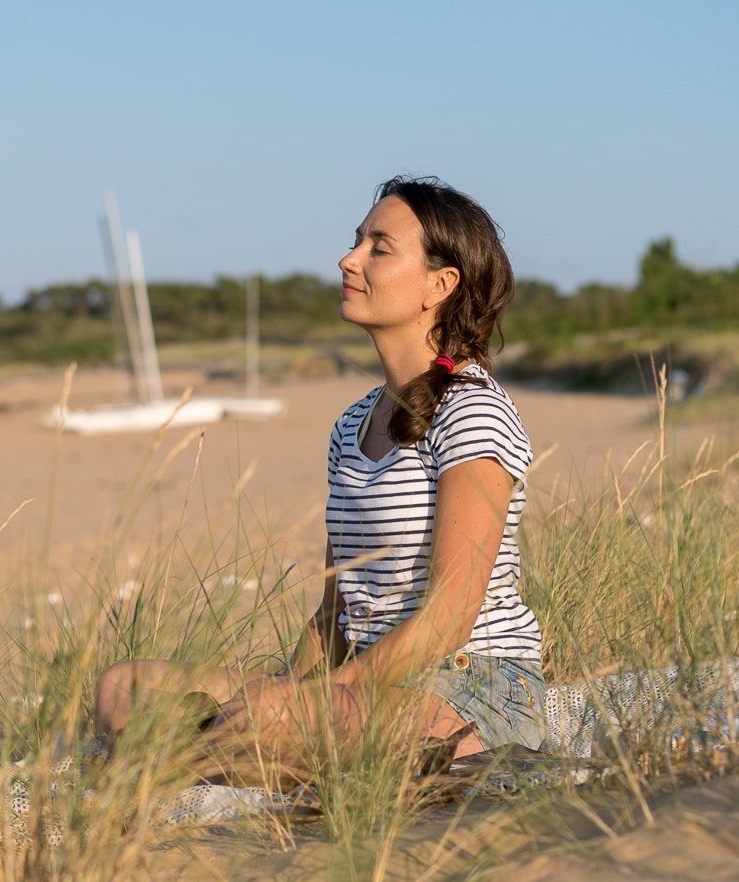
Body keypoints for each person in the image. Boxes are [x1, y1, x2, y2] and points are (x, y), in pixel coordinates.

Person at [94, 175, 545, 765]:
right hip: (360, 686)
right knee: (124, 688)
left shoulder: (472, 411)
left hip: (470, 689)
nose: (349, 259)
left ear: (440, 284)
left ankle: (196, 755)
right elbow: (334, 613)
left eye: (379, 248)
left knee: (270, 718)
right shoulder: (352, 424)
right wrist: (293, 688)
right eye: (357, 241)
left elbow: (450, 616)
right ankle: (226, 752)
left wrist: (302, 702)